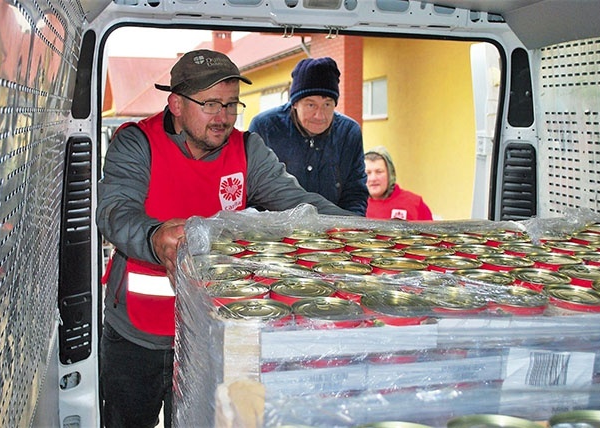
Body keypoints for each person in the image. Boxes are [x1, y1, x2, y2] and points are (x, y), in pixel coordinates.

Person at [95, 49, 355, 428]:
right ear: (177, 104)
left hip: (214, 330)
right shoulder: (136, 142)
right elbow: (115, 212)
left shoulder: (247, 148)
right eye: (211, 104)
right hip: (141, 332)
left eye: (232, 105)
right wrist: (153, 237)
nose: (223, 117)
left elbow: (302, 206)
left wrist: (364, 231)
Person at [248, 57, 368, 215]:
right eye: (311, 104)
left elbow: (355, 193)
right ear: (295, 103)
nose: (320, 115)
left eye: (327, 104)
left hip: (334, 231)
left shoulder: (348, 133)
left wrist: (349, 231)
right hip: (276, 231)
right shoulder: (265, 128)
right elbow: (252, 192)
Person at [364, 146, 433, 221]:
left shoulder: (414, 203)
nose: (373, 178)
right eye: (368, 173)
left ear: (390, 174)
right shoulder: (355, 207)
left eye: (379, 172)